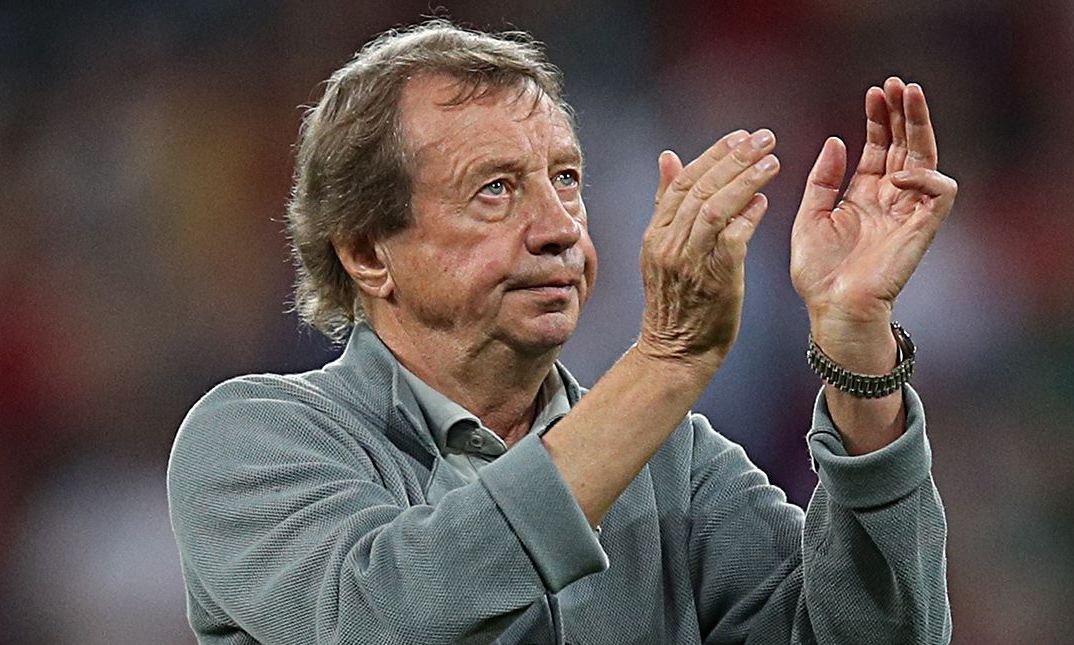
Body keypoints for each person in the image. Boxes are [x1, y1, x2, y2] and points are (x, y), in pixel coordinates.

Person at [168, 19, 956, 645]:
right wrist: (665, 361)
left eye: (567, 179)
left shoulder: (674, 464)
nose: (559, 228)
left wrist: (859, 351)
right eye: (496, 189)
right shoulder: (256, 440)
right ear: (370, 252)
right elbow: (386, 619)